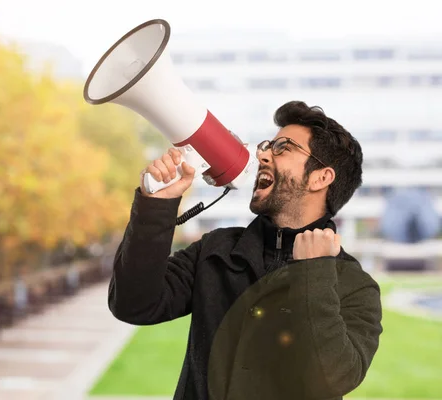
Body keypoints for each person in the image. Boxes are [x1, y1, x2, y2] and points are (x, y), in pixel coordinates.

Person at [108, 101, 383, 400]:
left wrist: (313, 275)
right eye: (267, 146)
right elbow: (132, 304)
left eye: (283, 148)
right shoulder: (215, 252)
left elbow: (334, 377)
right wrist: (156, 206)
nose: (263, 154)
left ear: (321, 177)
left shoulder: (354, 285)